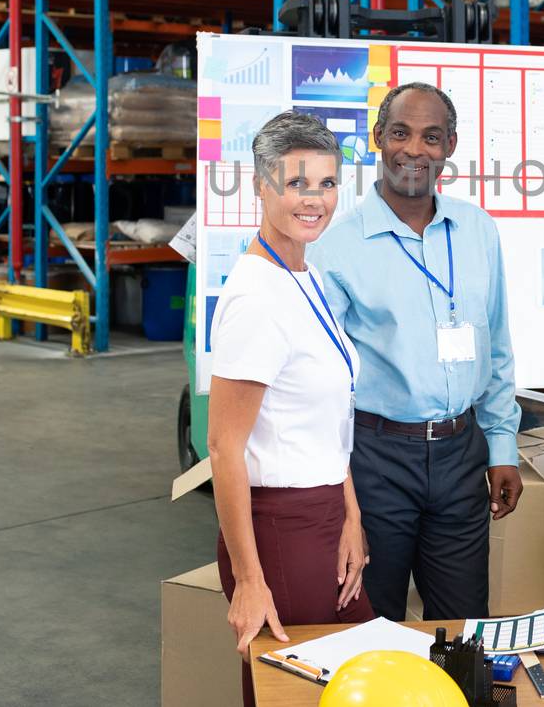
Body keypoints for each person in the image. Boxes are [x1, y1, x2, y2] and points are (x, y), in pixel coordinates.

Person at [311, 81, 522, 622]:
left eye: (432, 137)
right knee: (371, 622)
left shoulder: (478, 231)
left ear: (450, 145)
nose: (415, 149)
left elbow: (496, 348)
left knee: (463, 625)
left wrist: (501, 448)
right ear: (379, 137)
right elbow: (320, 379)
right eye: (401, 132)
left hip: (460, 453)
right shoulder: (338, 246)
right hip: (377, 457)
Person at [208, 111, 374, 707]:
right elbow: (224, 449)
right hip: (279, 528)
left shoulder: (307, 277)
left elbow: (329, 417)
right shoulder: (256, 297)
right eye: (297, 183)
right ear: (261, 185)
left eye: (327, 184)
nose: (315, 200)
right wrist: (251, 582)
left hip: (325, 511)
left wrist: (349, 515)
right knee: (299, 693)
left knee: (350, 683)